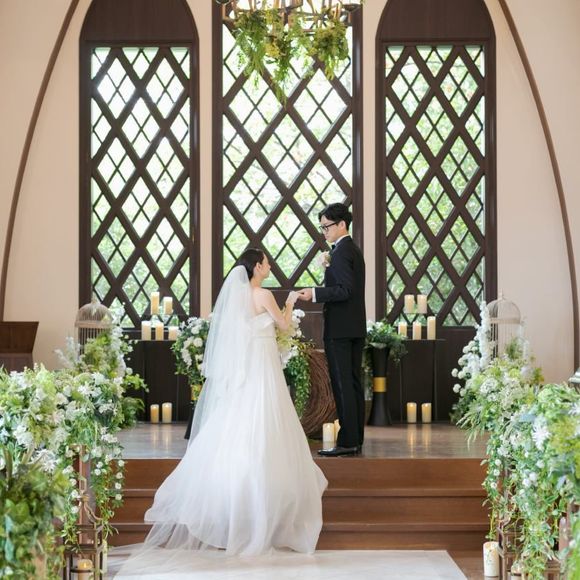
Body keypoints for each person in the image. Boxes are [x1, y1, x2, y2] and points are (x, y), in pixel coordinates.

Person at [117, 249, 327, 574]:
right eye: (266, 262)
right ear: (256, 266)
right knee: (267, 423)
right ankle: (262, 510)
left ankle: (237, 507)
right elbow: (284, 326)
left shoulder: (237, 298)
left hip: (249, 369)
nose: (269, 266)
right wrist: (289, 302)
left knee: (240, 424)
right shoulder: (263, 295)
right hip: (263, 369)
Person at [297, 203, 366, 457]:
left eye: (327, 226)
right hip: (354, 327)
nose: (324, 231)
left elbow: (344, 290)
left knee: (343, 384)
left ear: (342, 224)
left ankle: (347, 441)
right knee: (353, 384)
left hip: (340, 329)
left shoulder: (341, 252)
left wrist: (314, 293)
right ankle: (355, 438)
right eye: (322, 227)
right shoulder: (352, 250)